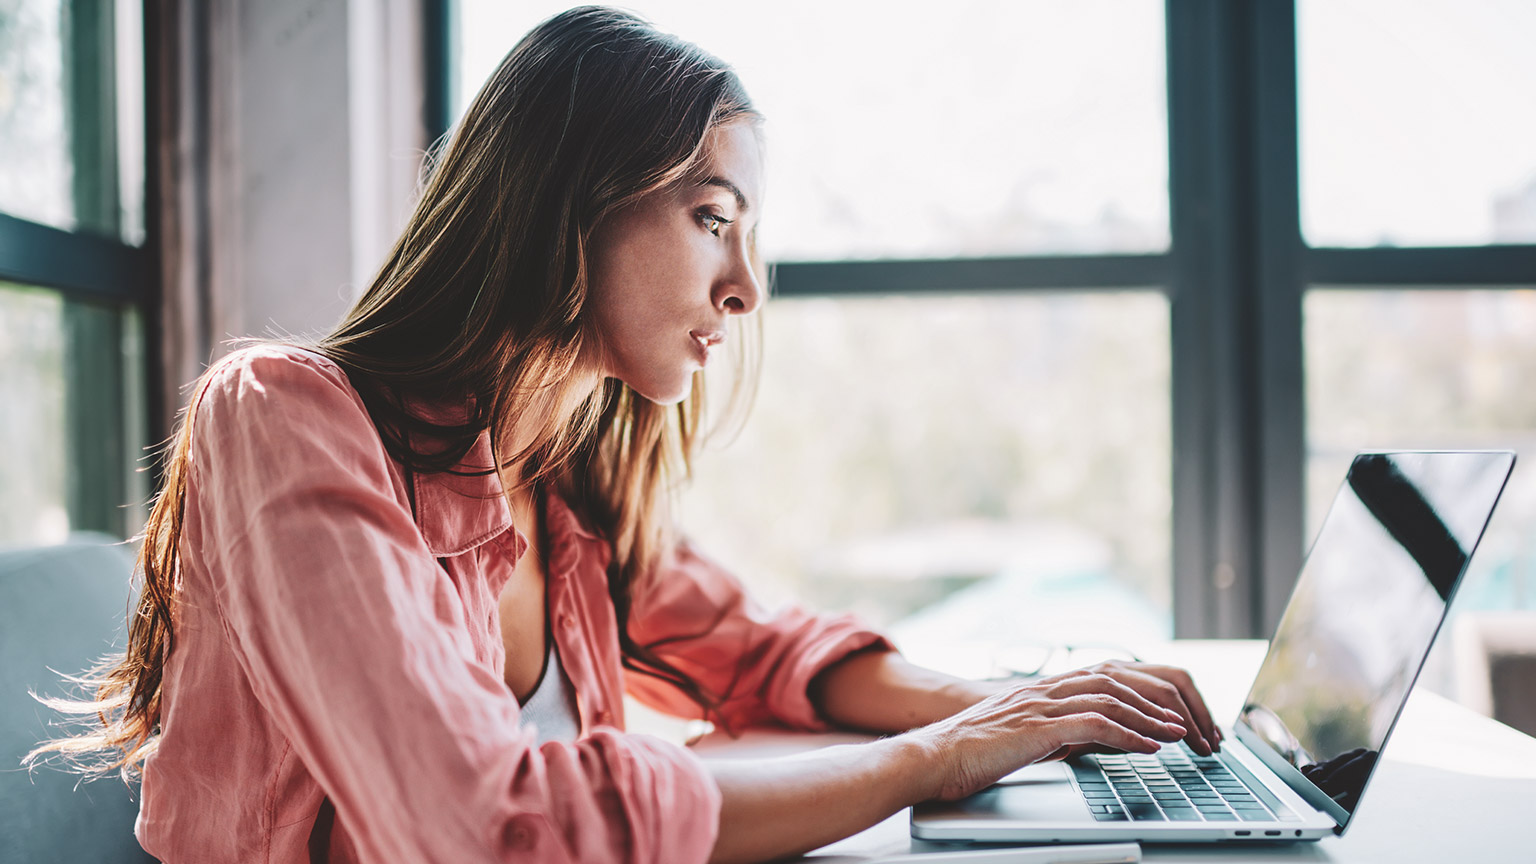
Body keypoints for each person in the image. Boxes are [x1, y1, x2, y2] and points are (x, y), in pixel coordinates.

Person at [29, 7, 1220, 863]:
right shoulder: (283, 416)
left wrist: (1025, 709)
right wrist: (941, 759)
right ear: (573, 199)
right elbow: (480, 828)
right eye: (713, 219)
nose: (746, 286)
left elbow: (763, 649)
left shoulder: (555, 475)